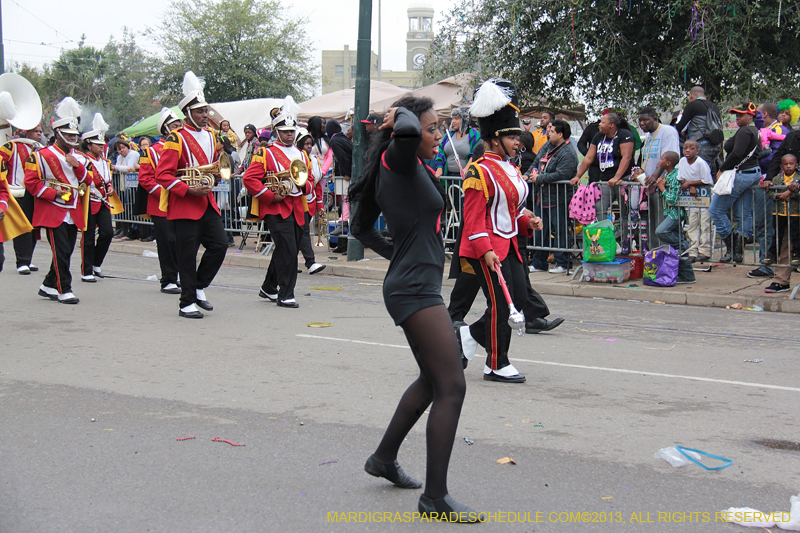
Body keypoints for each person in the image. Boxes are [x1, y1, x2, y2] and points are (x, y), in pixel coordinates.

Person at [348, 95, 483, 523]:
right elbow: (405, 131)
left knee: (432, 379)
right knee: (453, 385)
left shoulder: (401, 164)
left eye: (440, 127)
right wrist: (400, 118)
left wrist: (399, 254)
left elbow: (360, 227)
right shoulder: (398, 155)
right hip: (414, 290)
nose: (438, 136)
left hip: (415, 283)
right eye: (432, 128)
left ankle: (384, 458)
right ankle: (435, 499)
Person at [455, 78, 543, 384]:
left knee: (517, 300)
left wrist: (525, 221)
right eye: (513, 137)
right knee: (500, 304)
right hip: (487, 248)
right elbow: (474, 219)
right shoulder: (479, 171)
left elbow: (509, 211)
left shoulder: (511, 167)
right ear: (494, 139)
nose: (519, 142)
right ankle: (496, 362)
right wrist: (486, 251)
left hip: (509, 244)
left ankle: (469, 335)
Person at [154, 71, 228, 319]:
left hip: (207, 201)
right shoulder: (176, 138)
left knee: (219, 245)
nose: (205, 116)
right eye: (200, 112)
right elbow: (162, 175)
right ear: (188, 113)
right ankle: (186, 303)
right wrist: (188, 189)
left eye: (206, 111)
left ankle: (197, 286)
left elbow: (210, 165)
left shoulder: (210, 136)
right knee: (187, 255)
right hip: (185, 203)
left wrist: (215, 176)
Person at [242, 96, 312, 308]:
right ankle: (286, 294)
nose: (289, 135)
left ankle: (269, 288)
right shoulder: (265, 153)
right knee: (288, 249)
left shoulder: (302, 153)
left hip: (297, 206)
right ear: (276, 131)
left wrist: (303, 186)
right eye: (285, 131)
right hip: (276, 206)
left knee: (286, 249)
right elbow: (249, 178)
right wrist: (270, 195)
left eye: (292, 131)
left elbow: (308, 180)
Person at [23, 97, 93, 304]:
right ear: (58, 134)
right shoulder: (40, 156)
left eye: (75, 135)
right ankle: (64, 289)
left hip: (73, 209)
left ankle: (47, 285)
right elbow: (32, 183)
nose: (73, 138)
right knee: (61, 250)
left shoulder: (79, 157)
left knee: (66, 251)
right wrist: (55, 194)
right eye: (69, 135)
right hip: (53, 209)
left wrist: (77, 166)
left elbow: (88, 181)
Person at [137, 107, 182, 295]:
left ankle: (178, 275)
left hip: (181, 200)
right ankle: (168, 279)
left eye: (180, 124)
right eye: (174, 125)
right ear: (165, 129)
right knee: (167, 242)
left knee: (180, 240)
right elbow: (145, 178)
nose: (179, 127)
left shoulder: (183, 145)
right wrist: (166, 193)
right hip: (161, 203)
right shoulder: (151, 151)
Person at [709, 102, 761, 264]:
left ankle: (733, 247)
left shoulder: (746, 131)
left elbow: (737, 153)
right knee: (743, 213)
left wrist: (722, 168)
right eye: (736, 115)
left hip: (741, 174)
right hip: (752, 173)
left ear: (751, 116)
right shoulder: (754, 131)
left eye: (741, 114)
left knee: (716, 210)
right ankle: (736, 252)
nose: (737, 118)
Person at [529, 119, 579, 274]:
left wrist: (540, 179)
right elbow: (536, 162)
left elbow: (562, 173)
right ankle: (538, 263)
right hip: (541, 196)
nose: (548, 133)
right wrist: (527, 175)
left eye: (551, 131)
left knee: (560, 230)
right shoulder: (547, 146)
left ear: (560, 134)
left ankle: (563, 263)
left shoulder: (568, 151)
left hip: (560, 198)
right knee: (539, 229)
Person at [571, 113, 635, 232]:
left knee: (624, 212)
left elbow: (626, 157)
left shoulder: (624, 135)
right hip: (604, 180)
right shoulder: (599, 136)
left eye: (602, 122)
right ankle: (604, 238)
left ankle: (624, 240)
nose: (599, 124)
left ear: (611, 125)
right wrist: (578, 176)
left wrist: (617, 177)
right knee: (599, 210)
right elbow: (589, 158)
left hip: (622, 179)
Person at [0, 123, 43, 274]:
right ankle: (22, 261)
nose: (39, 134)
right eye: (36, 131)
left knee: (32, 227)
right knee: (21, 226)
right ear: (27, 133)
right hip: (15, 192)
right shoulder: (11, 146)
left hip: (31, 192)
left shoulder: (39, 149)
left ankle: (28, 259)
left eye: (40, 132)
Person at [79, 113, 116, 282]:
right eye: (98, 145)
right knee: (87, 237)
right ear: (88, 145)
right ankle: (86, 271)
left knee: (107, 233)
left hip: (103, 201)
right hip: (88, 200)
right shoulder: (82, 159)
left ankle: (96, 264)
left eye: (102, 145)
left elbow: (107, 180)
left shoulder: (104, 161)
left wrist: (109, 188)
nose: (101, 147)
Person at [648, 151, 695, 283]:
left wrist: (662, 188)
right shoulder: (668, 175)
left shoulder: (675, 177)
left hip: (674, 214)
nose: (659, 161)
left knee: (661, 231)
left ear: (668, 163)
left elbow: (673, 200)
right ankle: (688, 276)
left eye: (662, 159)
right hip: (668, 213)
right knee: (679, 245)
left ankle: (682, 245)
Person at [637, 106, 680, 249]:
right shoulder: (649, 136)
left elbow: (667, 158)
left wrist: (655, 177)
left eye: (646, 120)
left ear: (655, 119)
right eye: (640, 121)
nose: (642, 124)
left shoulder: (668, 132)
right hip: (650, 186)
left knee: (662, 225)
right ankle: (654, 255)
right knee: (652, 223)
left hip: (663, 186)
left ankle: (668, 254)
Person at [294, 127, 326, 275]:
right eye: (306, 144)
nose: (309, 146)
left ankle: (291, 262)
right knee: (303, 232)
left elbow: (317, 184)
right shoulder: (295, 158)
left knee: (299, 233)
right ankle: (310, 262)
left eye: (310, 144)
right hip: (297, 200)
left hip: (310, 200)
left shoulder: (314, 160)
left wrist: (320, 203)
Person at [677, 140, 714, 263]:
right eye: (685, 148)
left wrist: (690, 183)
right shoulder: (682, 161)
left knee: (705, 224)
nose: (687, 150)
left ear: (697, 151)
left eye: (691, 148)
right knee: (692, 225)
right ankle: (693, 251)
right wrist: (689, 185)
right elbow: (681, 177)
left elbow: (705, 180)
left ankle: (705, 251)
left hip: (704, 197)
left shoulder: (701, 163)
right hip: (692, 198)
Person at [674, 86, 723, 173]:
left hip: (700, 147)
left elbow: (680, 127)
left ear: (691, 95)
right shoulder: (714, 106)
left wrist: (680, 117)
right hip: (716, 146)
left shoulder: (692, 105)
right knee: (711, 174)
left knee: (699, 175)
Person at [762, 154, 799, 268]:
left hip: (795, 211)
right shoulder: (776, 179)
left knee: (796, 234)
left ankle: (796, 255)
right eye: (786, 164)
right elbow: (770, 192)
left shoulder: (798, 178)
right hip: (779, 211)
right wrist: (778, 196)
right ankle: (772, 254)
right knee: (777, 234)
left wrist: (790, 194)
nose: (788, 166)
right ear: (781, 166)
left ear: (796, 165)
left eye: (791, 164)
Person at [432, 108, 480, 178]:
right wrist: (439, 167)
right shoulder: (448, 135)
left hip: (465, 177)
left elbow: (475, 153)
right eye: (453, 118)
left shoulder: (474, 134)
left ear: (464, 119)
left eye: (456, 119)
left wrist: (467, 168)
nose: (453, 121)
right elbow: (441, 152)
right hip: (447, 176)